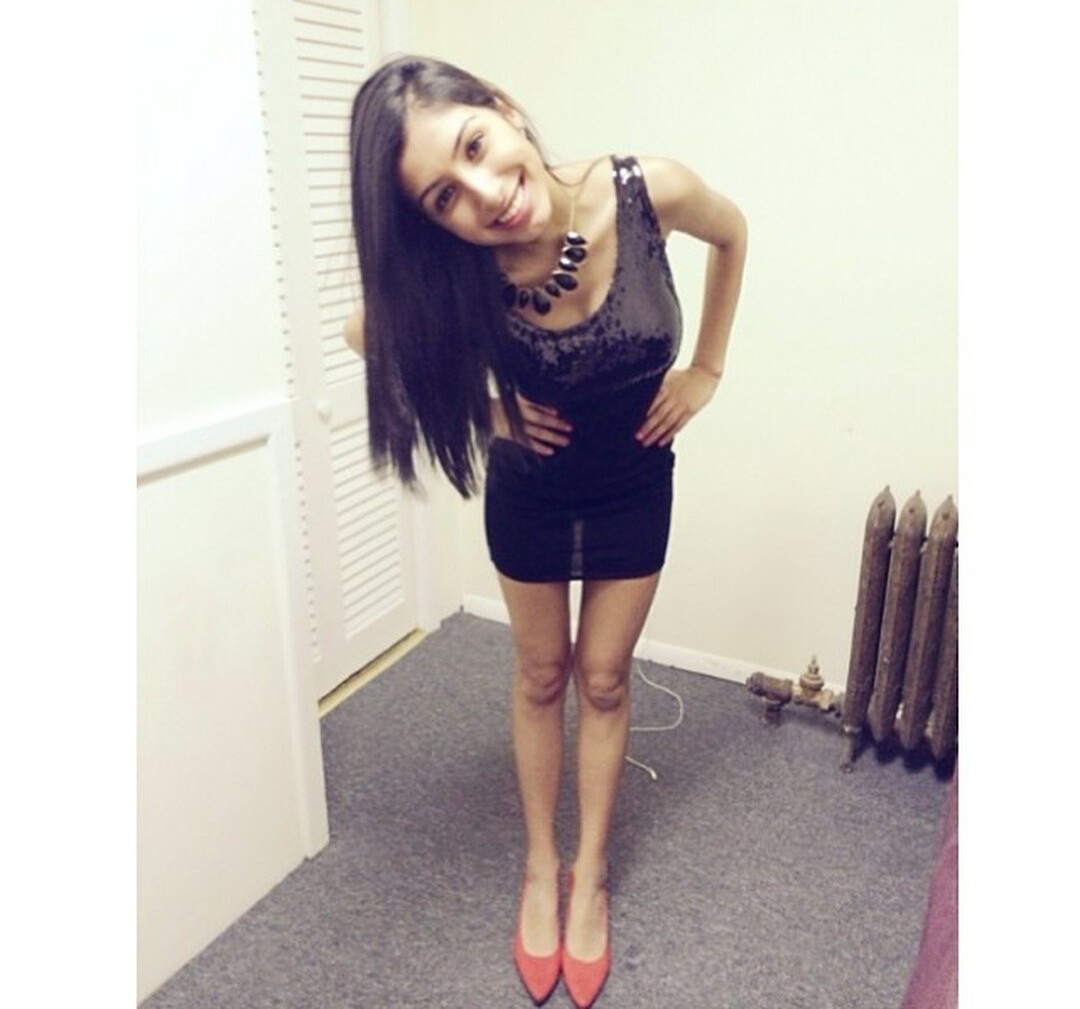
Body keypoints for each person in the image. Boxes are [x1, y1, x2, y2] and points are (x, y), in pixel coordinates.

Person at [344, 54, 746, 1008]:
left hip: (636, 473)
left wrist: (706, 370)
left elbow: (732, 233)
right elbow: (367, 332)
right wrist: (489, 413)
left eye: (475, 146)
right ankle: (539, 865)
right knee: (540, 675)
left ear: (503, 110)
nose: (485, 192)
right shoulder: (457, 271)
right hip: (530, 489)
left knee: (604, 678)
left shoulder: (648, 192)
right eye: (445, 196)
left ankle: (590, 871)